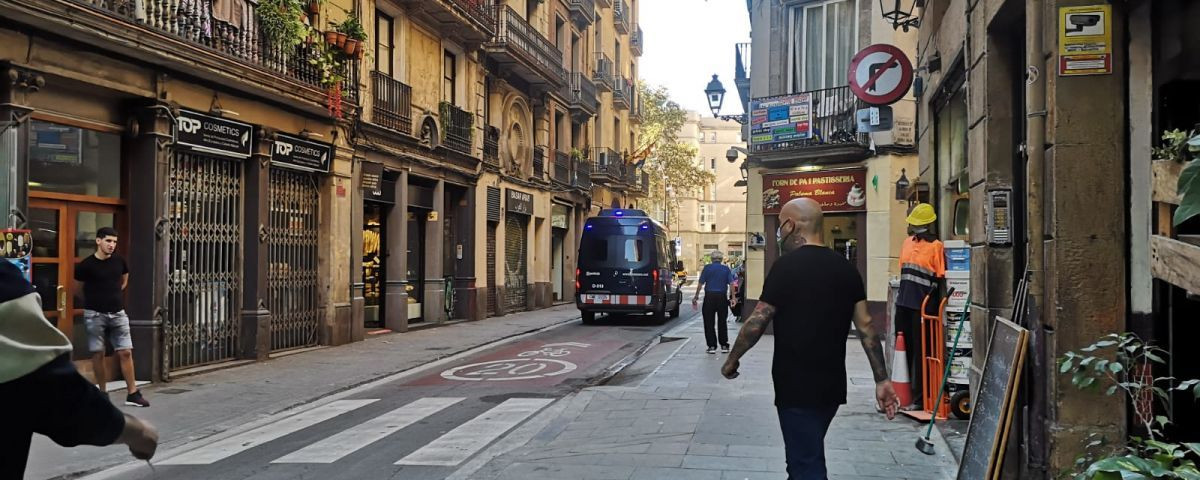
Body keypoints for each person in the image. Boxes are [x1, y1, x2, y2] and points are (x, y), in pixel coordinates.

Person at [721, 198, 899, 479]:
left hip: (795, 386)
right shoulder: (847, 270)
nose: (780, 234)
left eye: (780, 227)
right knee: (806, 454)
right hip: (830, 387)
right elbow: (866, 328)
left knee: (805, 464)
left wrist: (732, 360)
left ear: (790, 225)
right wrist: (882, 379)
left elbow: (756, 322)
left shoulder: (784, 267)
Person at [0, 260, 158, 478]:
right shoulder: (6, 287)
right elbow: (52, 392)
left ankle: (132, 392)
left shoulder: (119, 264)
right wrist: (135, 432)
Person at [75, 226, 150, 407]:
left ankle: (132, 393)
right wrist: (93, 300)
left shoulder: (119, 261)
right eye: (108, 241)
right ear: (98, 241)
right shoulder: (86, 265)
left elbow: (124, 279)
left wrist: (115, 293)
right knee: (98, 353)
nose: (112, 245)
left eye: (114, 242)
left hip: (117, 312)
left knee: (125, 351)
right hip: (95, 314)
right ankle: (102, 393)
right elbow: (77, 288)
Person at [894, 203, 946, 410]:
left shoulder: (936, 246)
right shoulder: (907, 243)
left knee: (922, 350)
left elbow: (938, 277)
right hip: (904, 303)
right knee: (903, 349)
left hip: (922, 305)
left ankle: (921, 397)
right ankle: (901, 393)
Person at [692, 250, 736, 354]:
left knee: (708, 322)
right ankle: (724, 345)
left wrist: (696, 296)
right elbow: (731, 284)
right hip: (722, 298)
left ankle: (712, 346)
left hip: (709, 297)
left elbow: (700, 283)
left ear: (712, 259)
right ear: (721, 259)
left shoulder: (707, 268)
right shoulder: (726, 269)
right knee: (722, 322)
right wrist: (733, 298)